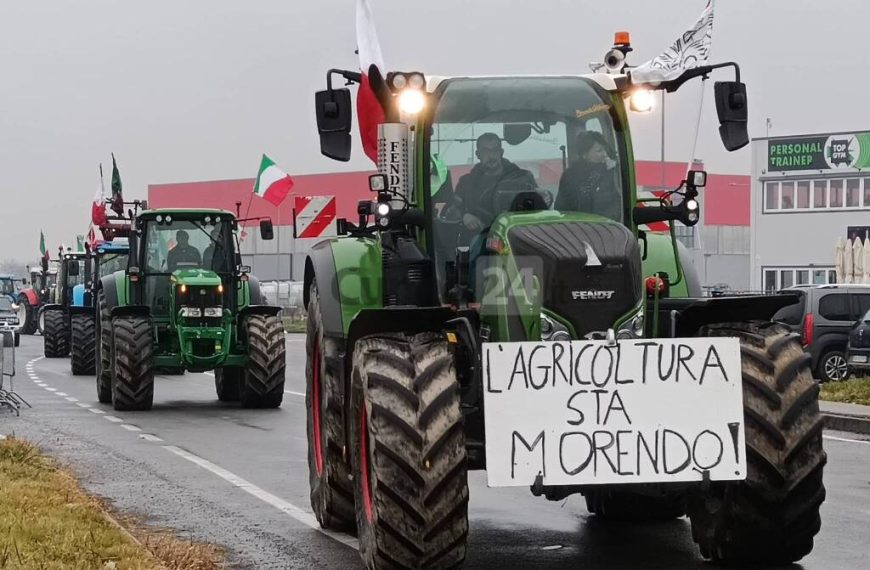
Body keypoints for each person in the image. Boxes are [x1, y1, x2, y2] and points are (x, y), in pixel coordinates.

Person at [453, 133, 537, 233]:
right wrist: (464, 216)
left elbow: (539, 208)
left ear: (501, 152)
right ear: (478, 154)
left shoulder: (523, 178)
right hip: (481, 240)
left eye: (495, 150)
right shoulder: (466, 183)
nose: (491, 155)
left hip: (520, 237)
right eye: (485, 151)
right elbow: (452, 209)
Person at [555, 131, 621, 220]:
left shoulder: (613, 172)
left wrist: (613, 170)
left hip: (607, 225)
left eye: (605, 150)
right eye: (599, 151)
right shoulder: (570, 176)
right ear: (584, 154)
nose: (605, 154)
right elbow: (561, 207)